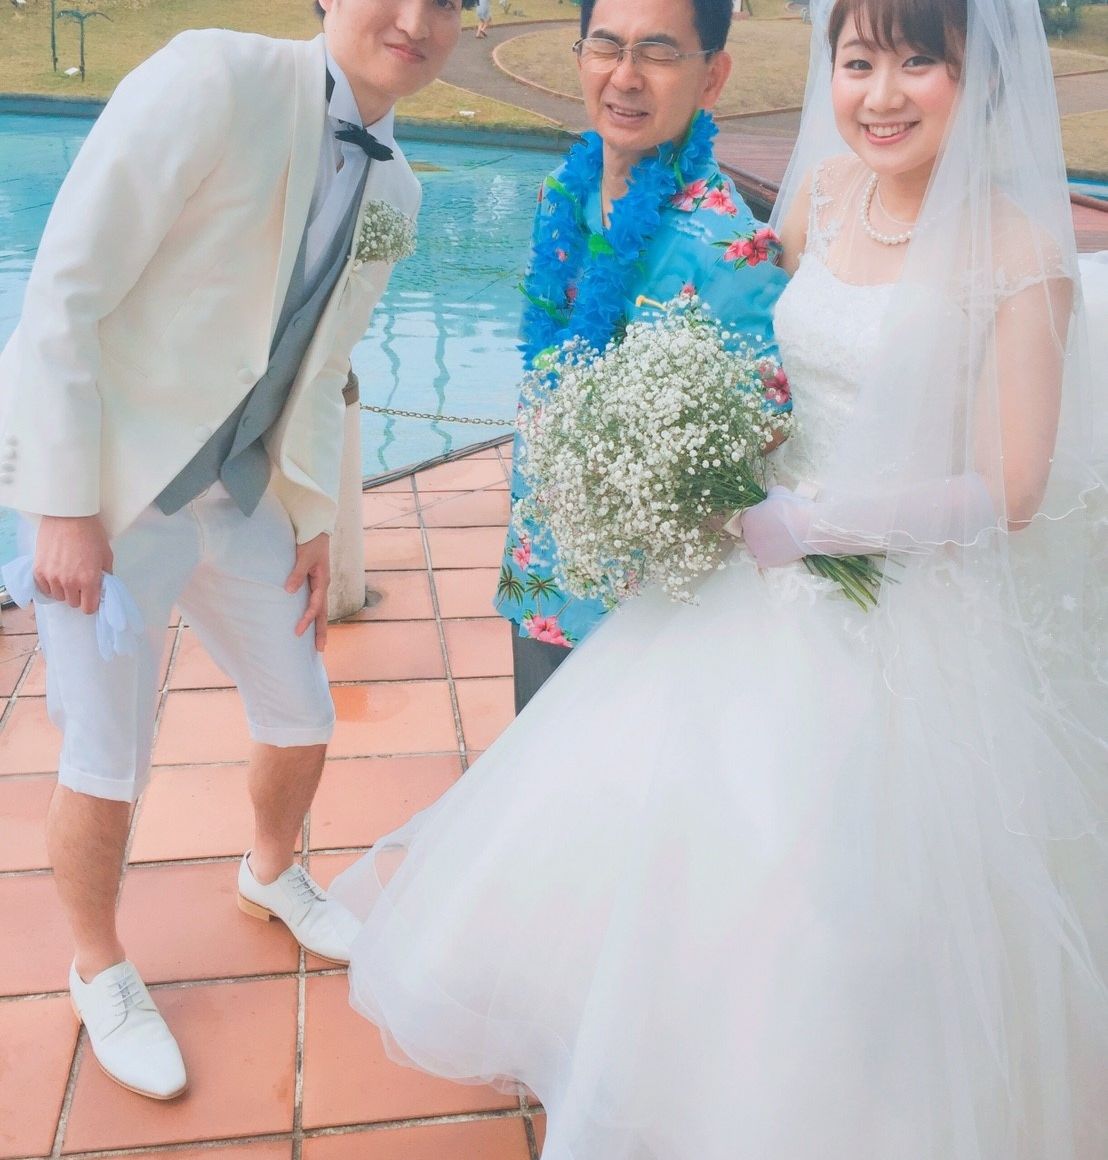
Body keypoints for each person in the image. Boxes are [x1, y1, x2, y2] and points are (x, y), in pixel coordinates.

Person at [333, 0, 1108, 1154]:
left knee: (840, 912)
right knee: (664, 861)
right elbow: (759, 368)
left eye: (918, 64)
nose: (879, 95)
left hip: (905, 612)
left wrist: (814, 523)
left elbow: (1010, 487)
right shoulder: (819, 195)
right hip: (746, 575)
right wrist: (687, 452)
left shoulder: (1020, 254)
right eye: (857, 61)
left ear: (981, 77)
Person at [0, 0, 475, 1103]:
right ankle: (98, 967)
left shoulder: (398, 190)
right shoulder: (212, 78)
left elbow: (321, 360)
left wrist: (310, 513)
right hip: (115, 494)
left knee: (303, 710)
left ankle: (270, 871)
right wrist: (60, 506)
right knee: (106, 756)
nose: (416, 18)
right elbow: (65, 285)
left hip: (244, 490)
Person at [491, 0, 788, 711]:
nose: (624, 77)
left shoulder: (731, 251)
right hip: (540, 571)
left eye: (658, 53)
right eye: (605, 47)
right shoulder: (562, 195)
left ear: (712, 77)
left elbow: (763, 452)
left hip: (648, 618)